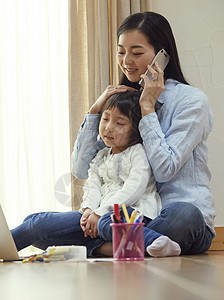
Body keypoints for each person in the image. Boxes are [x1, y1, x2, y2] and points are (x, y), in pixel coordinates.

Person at [72, 11, 216, 256]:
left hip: (177, 218)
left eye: (137, 53)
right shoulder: (123, 102)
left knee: (183, 214)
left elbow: (164, 170)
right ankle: (139, 245)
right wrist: (95, 111)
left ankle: (102, 248)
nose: (126, 60)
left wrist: (147, 109)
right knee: (41, 223)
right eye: (121, 51)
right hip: (127, 215)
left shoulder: (192, 102)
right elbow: (80, 169)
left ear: (162, 55)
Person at [12, 91, 177, 257]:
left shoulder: (138, 152)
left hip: (132, 213)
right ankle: (109, 248)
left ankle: (155, 241)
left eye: (119, 123)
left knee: (37, 225)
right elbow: (92, 186)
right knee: (33, 220)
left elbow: (134, 188)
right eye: (105, 119)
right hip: (99, 215)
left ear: (136, 129)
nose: (108, 127)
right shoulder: (101, 156)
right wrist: (88, 210)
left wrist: (100, 212)